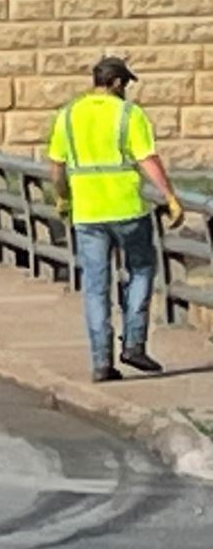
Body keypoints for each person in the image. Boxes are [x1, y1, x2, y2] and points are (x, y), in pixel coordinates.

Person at [46, 57, 183, 381]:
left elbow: (56, 166)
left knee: (95, 288)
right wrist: (170, 197)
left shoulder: (67, 115)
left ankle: (101, 363)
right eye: (127, 85)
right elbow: (146, 159)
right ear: (117, 83)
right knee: (141, 270)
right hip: (127, 210)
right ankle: (134, 344)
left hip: (87, 213)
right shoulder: (129, 114)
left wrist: (63, 198)